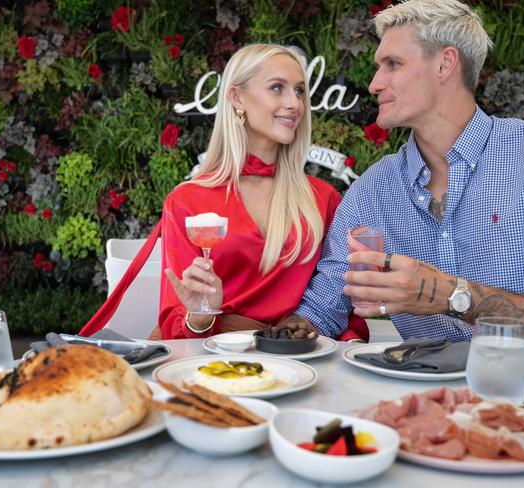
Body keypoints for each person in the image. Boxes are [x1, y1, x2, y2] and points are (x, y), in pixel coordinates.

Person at [278, 0, 524, 390]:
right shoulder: (372, 189)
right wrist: (259, 342)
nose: (376, 83)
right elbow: (322, 311)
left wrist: (448, 295)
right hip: (426, 395)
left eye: (393, 64)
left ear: (445, 64)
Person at [80, 44, 367, 341]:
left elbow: (339, 299)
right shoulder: (187, 201)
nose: (294, 103)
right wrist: (202, 315)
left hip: (301, 359)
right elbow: (176, 321)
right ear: (236, 97)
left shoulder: (323, 197)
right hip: (216, 363)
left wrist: (349, 349)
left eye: (299, 91)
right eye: (277, 88)